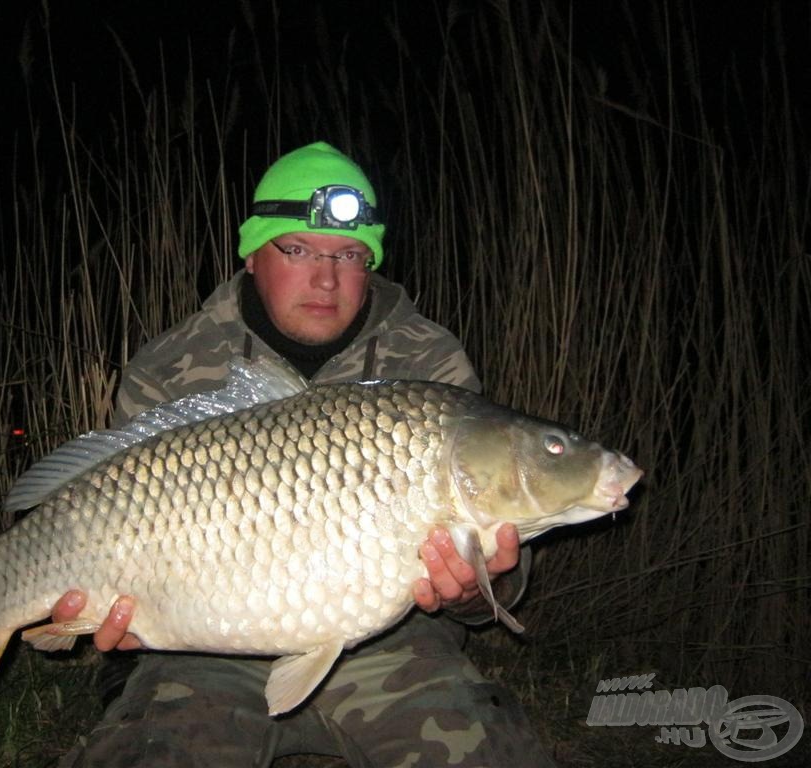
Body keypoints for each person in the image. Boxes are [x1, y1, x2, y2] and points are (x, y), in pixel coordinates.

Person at [54, 142, 555, 767]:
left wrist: (476, 590)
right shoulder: (170, 366)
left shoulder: (429, 363)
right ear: (252, 253)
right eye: (297, 250)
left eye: (349, 255)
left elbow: (498, 566)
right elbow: (114, 523)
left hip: (392, 645)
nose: (326, 278)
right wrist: (110, 623)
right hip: (203, 647)